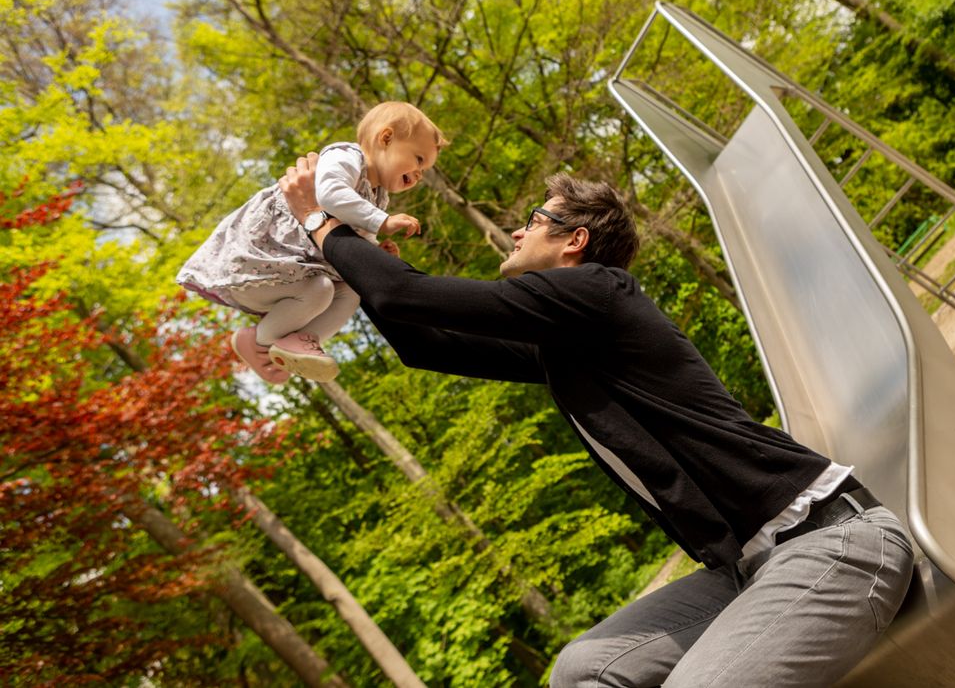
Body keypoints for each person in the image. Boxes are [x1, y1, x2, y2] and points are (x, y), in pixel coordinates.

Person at [280, 153, 914, 686]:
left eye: (534, 220)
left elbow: (407, 293)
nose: (517, 231)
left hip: (830, 540)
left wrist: (320, 220)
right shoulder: (569, 340)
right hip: (744, 569)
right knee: (581, 669)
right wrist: (353, 251)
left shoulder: (599, 293)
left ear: (573, 242)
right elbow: (426, 342)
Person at [176, 101, 447, 384]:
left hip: (294, 271)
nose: (419, 174)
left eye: (424, 169)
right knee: (320, 290)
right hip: (263, 260)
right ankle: (260, 342)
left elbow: (351, 236)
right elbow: (330, 195)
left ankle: (300, 343)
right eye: (418, 159)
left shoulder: (377, 195)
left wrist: (374, 251)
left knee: (350, 291)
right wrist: (383, 221)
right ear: (386, 137)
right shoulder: (346, 157)